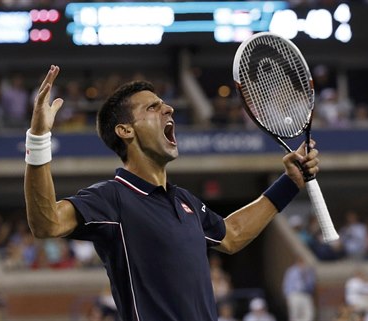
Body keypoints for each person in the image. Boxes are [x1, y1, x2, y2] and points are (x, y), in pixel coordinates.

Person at [24, 65, 321, 321]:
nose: (169, 108)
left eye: (164, 104)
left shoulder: (185, 201)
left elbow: (231, 235)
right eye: (152, 108)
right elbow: (46, 222)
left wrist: (289, 182)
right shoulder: (111, 198)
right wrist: (38, 139)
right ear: (125, 131)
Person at [282, 256, 315, 321]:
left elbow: (311, 285)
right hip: (294, 294)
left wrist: (305, 274)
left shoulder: (309, 271)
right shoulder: (291, 271)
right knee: (295, 316)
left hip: (306, 295)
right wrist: (288, 296)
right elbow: (287, 284)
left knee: (309, 315)